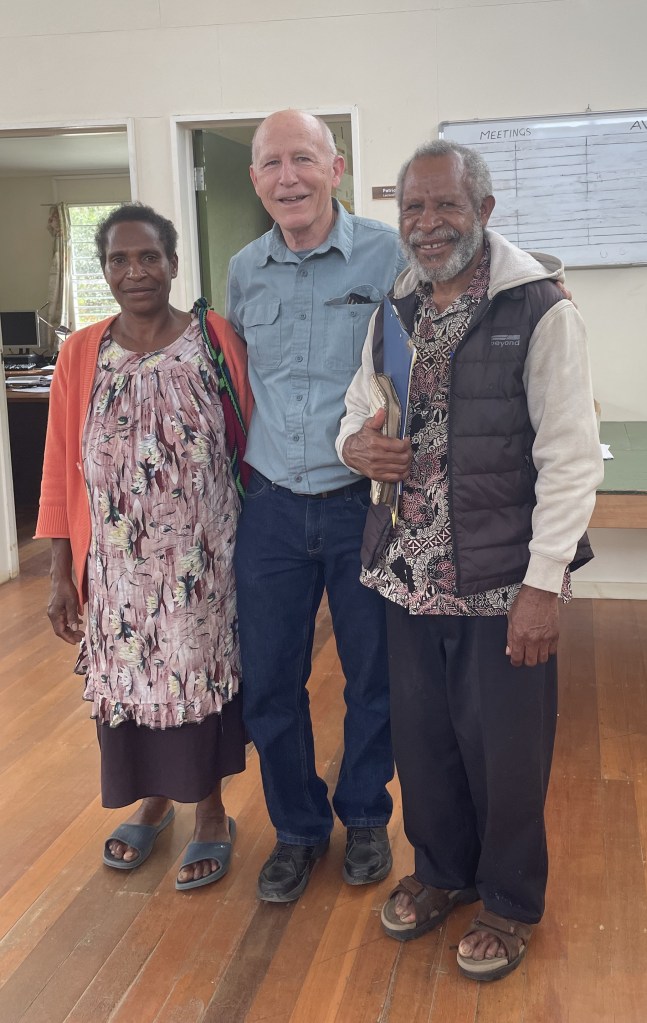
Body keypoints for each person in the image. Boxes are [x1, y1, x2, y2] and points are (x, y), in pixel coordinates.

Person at [337, 140, 603, 980]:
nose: (427, 223)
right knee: (424, 745)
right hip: (407, 577)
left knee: (506, 754)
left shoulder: (539, 309)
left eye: (445, 204)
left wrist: (542, 586)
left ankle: (510, 900)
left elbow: (570, 458)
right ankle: (442, 871)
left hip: (500, 584)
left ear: (482, 210)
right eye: (413, 208)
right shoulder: (393, 311)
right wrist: (353, 447)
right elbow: (357, 410)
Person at [36, 203, 252, 891]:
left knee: (196, 680)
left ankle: (211, 811)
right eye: (119, 260)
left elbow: (250, 439)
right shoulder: (82, 353)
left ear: (173, 264)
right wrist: (60, 571)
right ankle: (153, 801)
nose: (135, 271)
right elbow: (59, 464)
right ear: (104, 271)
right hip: (118, 570)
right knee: (132, 684)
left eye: (149, 256)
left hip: (204, 565)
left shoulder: (216, 339)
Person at [226, 109, 407, 902]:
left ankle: (364, 813)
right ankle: (297, 827)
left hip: (359, 505)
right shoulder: (243, 270)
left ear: (335, 169)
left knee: (374, 674)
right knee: (269, 680)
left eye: (303, 158)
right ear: (255, 179)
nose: (287, 176)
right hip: (268, 507)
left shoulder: (386, 254)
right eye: (271, 163)